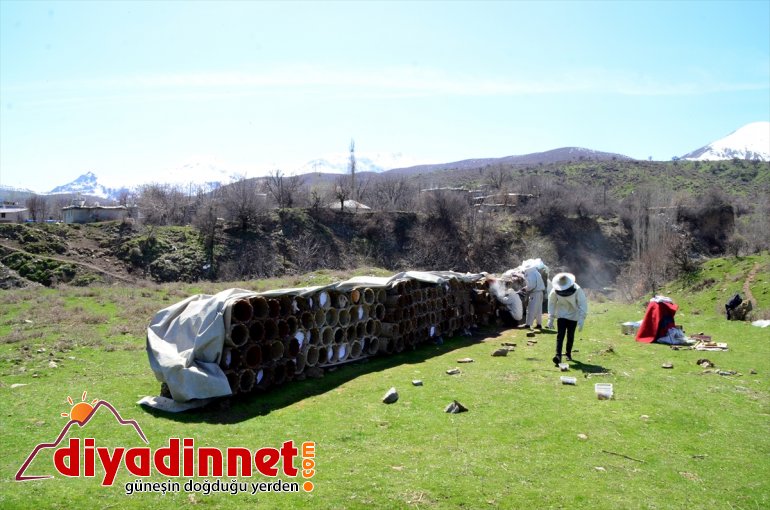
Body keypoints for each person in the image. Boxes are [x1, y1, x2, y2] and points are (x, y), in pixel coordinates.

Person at [546, 272, 588, 366]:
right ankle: (558, 356)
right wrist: (550, 318)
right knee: (560, 336)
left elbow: (582, 304)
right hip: (561, 315)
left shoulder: (577, 289)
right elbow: (551, 303)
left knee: (570, 335)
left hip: (573, 315)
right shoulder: (555, 290)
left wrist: (582, 319)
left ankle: (568, 354)